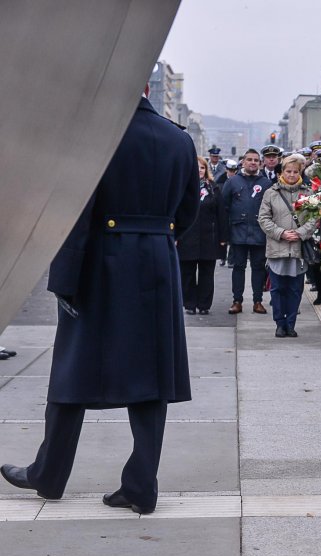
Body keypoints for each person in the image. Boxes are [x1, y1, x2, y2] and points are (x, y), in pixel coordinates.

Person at [0, 90, 199, 514]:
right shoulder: (179, 139)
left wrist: (65, 282)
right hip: (159, 260)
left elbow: (76, 211)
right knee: (152, 376)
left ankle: (48, 475)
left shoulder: (98, 137)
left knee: (72, 370)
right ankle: (141, 487)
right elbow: (187, 211)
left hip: (101, 262)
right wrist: (156, 238)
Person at [258, 154, 316, 338]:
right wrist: (281, 233)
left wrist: (300, 233)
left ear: (300, 173)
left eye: (295, 171)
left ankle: (291, 324)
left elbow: (315, 217)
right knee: (277, 289)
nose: (291, 175)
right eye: (288, 171)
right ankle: (279, 323)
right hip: (277, 248)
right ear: (281, 172)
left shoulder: (308, 193)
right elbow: (263, 218)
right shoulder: (271, 192)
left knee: (295, 289)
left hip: (298, 249)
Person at [221, 148, 272, 314]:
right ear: (243, 161)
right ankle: (237, 301)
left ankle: (258, 301)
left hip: (259, 232)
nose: (252, 163)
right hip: (238, 231)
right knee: (238, 267)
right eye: (249, 159)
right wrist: (225, 233)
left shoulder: (266, 183)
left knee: (258, 268)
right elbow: (224, 207)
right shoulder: (233, 182)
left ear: (260, 163)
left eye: (256, 160)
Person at [179, 157, 227, 315]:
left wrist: (223, 238)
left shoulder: (213, 188)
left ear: (205, 170)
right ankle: (190, 304)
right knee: (187, 273)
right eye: (196, 167)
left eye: (201, 168)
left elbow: (221, 213)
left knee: (207, 273)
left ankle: (204, 304)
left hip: (209, 237)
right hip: (187, 237)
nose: (199, 170)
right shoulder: (182, 187)